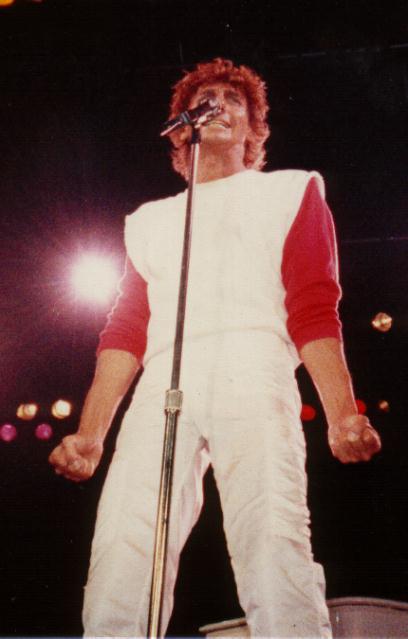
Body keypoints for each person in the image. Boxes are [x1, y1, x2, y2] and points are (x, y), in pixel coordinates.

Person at [49, 58, 381, 638]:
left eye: (234, 100)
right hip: (163, 379)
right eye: (205, 100)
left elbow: (313, 305)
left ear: (254, 128)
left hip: (254, 366)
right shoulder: (149, 221)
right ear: (181, 130)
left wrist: (342, 414)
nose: (219, 105)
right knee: (125, 542)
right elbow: (127, 329)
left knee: (271, 535)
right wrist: (90, 433)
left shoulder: (289, 191)